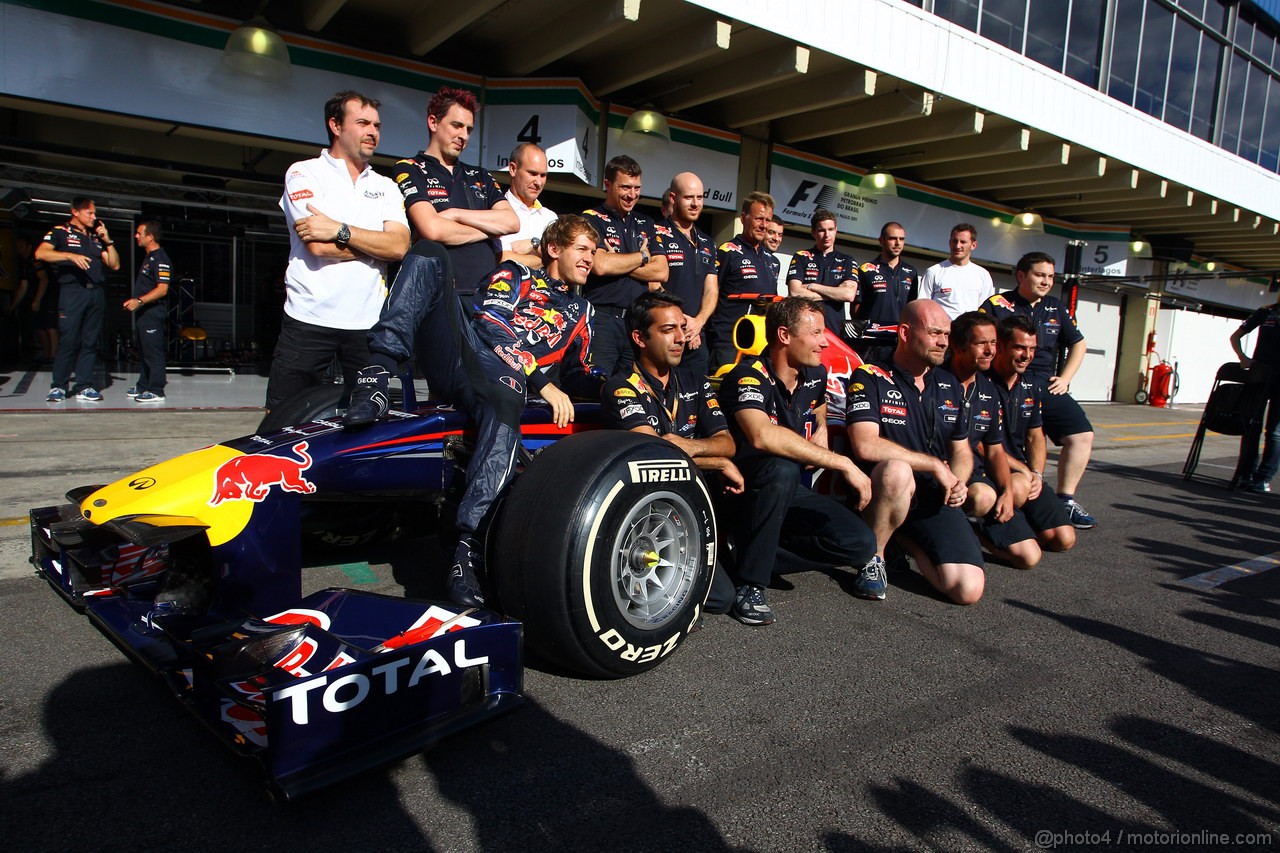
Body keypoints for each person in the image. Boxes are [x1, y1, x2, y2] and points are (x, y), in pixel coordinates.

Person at [343, 214, 598, 607]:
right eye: (582, 249)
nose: (589, 259)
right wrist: (541, 382)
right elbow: (490, 323)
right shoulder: (515, 273)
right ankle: (377, 373)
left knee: (506, 394)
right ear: (554, 249)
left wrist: (625, 386)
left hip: (505, 389)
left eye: (593, 252)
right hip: (467, 354)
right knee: (428, 251)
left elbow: (582, 372)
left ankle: (468, 552)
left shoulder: (583, 311)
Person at [718, 297, 876, 625]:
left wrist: (819, 427)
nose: (824, 341)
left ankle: (743, 554)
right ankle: (750, 584)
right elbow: (762, 435)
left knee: (859, 543)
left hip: (787, 491)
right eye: (816, 332)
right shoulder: (747, 376)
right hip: (741, 491)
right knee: (781, 467)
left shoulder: (815, 374)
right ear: (785, 336)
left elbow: (817, 405)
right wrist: (841, 462)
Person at [601, 291, 743, 620]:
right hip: (644, 515)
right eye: (668, 330)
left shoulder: (695, 379)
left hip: (693, 506)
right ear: (639, 338)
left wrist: (689, 445)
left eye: (682, 328)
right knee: (719, 598)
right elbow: (654, 454)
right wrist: (718, 461)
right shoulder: (621, 387)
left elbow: (728, 442)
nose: (681, 338)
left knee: (723, 595)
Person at [266, 90, 410, 412]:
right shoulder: (304, 172)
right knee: (283, 419)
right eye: (362, 123)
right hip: (308, 318)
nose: (372, 131)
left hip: (368, 325)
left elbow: (400, 246)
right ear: (335, 125)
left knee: (370, 423)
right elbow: (317, 245)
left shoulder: (386, 186)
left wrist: (341, 231)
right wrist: (375, 247)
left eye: (377, 125)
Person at [845, 299, 986, 605]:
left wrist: (958, 481)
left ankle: (903, 539)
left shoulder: (949, 384)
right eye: (935, 333)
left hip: (933, 496)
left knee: (967, 590)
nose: (944, 342)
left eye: (947, 335)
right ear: (906, 333)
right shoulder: (870, 375)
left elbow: (962, 449)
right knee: (897, 470)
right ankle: (874, 557)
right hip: (884, 492)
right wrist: (934, 465)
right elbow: (864, 443)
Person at [981, 252, 1097, 528]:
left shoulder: (1056, 307)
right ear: (1021, 275)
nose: (1046, 282)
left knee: (1082, 435)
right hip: (1002, 382)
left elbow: (1078, 344)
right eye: (1040, 275)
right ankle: (996, 493)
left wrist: (1065, 378)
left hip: (1043, 385)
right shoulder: (998, 304)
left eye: (1050, 277)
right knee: (997, 439)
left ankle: (1065, 500)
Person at [394, 87, 518, 296]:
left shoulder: (480, 175)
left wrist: (455, 214)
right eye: (457, 126)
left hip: (484, 297)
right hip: (437, 293)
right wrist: (491, 230)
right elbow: (433, 229)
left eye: (468, 129)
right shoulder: (410, 168)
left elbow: (511, 222)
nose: (463, 136)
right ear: (433, 122)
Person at [945, 312, 1043, 571]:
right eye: (981, 344)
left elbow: (995, 450)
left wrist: (1008, 493)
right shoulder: (935, 381)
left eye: (993, 343)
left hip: (975, 475)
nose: (990, 351)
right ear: (958, 346)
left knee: (1029, 557)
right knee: (982, 497)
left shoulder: (988, 391)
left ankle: (974, 532)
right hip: (942, 479)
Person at [988, 314, 1077, 554]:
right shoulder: (980, 383)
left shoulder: (1030, 385)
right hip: (991, 471)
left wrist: (1036, 473)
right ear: (1001, 347)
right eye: (1019, 348)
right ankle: (978, 529)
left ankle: (1022, 525)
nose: (1027, 355)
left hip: (1023, 473)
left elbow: (1035, 436)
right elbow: (978, 444)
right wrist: (1024, 471)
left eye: (1032, 349)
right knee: (1028, 553)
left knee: (1063, 539)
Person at [580, 155, 669, 377]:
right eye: (625, 187)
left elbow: (662, 271)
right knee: (597, 389)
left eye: (637, 188)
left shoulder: (645, 222)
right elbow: (599, 265)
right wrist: (642, 256)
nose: (632, 195)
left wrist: (618, 260)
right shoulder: (592, 219)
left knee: (633, 390)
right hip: (602, 321)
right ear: (607, 185)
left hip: (636, 321)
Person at [37, 196, 120, 402]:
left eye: (94, 213)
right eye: (89, 213)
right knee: (68, 339)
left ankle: (84, 385)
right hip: (73, 292)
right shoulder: (60, 232)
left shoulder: (95, 237)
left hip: (96, 293)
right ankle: (59, 386)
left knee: (90, 342)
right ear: (75, 212)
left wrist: (108, 240)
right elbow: (41, 253)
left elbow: (115, 264)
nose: (94, 216)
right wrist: (69, 256)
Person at [706, 192, 778, 370]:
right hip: (728, 344)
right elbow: (709, 294)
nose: (763, 225)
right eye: (758, 219)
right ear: (743, 218)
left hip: (760, 344)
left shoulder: (771, 260)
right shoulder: (727, 252)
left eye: (767, 220)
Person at [655, 172, 717, 377]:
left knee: (695, 402)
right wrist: (683, 322)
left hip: (696, 338)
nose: (695, 203)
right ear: (673, 198)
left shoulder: (707, 242)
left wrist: (698, 322)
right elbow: (653, 285)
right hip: (665, 336)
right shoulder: (656, 233)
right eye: (689, 197)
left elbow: (711, 289)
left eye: (699, 197)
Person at [1229, 293, 1280, 492]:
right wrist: (1243, 357)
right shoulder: (1266, 312)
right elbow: (1235, 336)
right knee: (1251, 426)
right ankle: (1246, 474)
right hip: (1259, 375)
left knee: (1274, 432)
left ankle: (1263, 478)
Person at [787, 208, 859, 343]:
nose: (827, 235)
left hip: (835, 332)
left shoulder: (847, 260)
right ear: (813, 232)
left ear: (836, 230)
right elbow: (795, 292)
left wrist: (813, 286)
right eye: (821, 230)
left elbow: (848, 295)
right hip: (804, 330)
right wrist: (834, 294)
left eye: (831, 229)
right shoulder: (802, 257)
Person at [122, 221, 171, 403]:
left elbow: (163, 289)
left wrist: (139, 301)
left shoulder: (161, 259)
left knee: (153, 352)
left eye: (139, 233)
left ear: (150, 237)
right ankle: (144, 384)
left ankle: (156, 389)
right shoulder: (149, 257)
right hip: (144, 313)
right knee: (143, 351)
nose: (136, 236)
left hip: (153, 312)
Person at [498, 142, 557, 269]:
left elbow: (560, 260)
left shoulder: (550, 218)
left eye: (543, 175)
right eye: (532, 173)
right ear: (513, 169)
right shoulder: (496, 211)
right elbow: (501, 259)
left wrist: (533, 244)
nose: (538, 182)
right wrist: (543, 257)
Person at [918, 223, 993, 319]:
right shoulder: (933, 272)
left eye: (963, 242)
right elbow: (922, 307)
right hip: (942, 332)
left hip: (970, 331)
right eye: (954, 241)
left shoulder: (983, 275)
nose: (957, 246)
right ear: (949, 242)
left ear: (973, 245)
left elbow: (986, 312)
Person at [765, 214, 788, 292]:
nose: (776, 238)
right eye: (771, 233)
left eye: (780, 235)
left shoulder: (775, 262)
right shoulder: (747, 255)